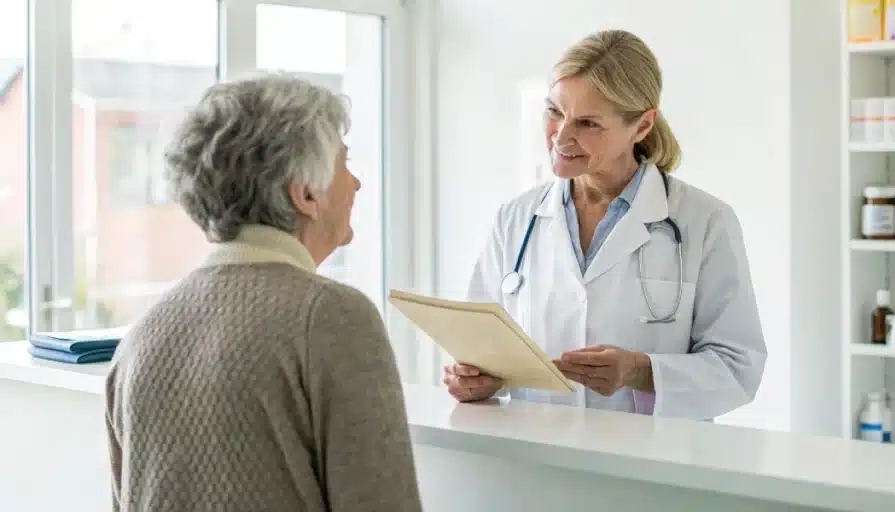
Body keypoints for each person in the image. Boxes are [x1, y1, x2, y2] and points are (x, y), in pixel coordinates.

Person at [104, 74, 422, 511]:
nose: (356, 184)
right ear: (306, 194)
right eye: (344, 163)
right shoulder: (333, 316)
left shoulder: (144, 334)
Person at [444, 29, 767, 421]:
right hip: (535, 457)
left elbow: (738, 367)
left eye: (588, 123)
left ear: (643, 126)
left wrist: (640, 371)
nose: (561, 136)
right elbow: (484, 345)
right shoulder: (516, 218)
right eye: (554, 111)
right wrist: (476, 378)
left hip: (649, 465)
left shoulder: (705, 221)